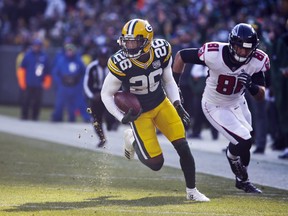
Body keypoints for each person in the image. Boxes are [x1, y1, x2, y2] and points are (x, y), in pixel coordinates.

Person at [101, 19, 210, 201]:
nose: (128, 46)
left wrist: (176, 103)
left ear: (146, 41)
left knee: (183, 147)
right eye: (126, 41)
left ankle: (192, 192)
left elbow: (168, 80)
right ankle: (132, 139)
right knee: (156, 163)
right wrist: (121, 118)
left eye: (133, 41)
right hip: (140, 114)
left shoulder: (161, 50)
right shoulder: (120, 62)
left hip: (161, 104)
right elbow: (106, 94)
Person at [173, 23, 270, 193]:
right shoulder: (213, 53)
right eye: (239, 48)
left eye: (247, 49)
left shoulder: (257, 61)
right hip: (214, 104)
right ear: (232, 44)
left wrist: (253, 87)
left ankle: (242, 180)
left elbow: (261, 96)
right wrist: (175, 85)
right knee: (243, 140)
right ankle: (232, 157)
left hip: (238, 102)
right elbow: (181, 56)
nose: (243, 53)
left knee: (248, 141)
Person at [83, 47, 118, 148]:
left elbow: (118, 81)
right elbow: (86, 84)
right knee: (95, 119)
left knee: (110, 116)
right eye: (101, 58)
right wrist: (92, 96)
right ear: (98, 58)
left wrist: (115, 94)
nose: (103, 60)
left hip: (109, 93)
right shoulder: (92, 67)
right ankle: (102, 138)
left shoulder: (113, 66)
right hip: (96, 94)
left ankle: (113, 123)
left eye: (105, 58)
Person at [16, 38, 51, 120]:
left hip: (39, 83)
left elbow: (47, 71)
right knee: (26, 100)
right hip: (28, 82)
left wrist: (46, 83)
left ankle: (35, 116)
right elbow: (22, 69)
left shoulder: (44, 56)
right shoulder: (28, 55)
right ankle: (24, 115)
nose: (37, 47)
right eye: (35, 46)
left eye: (38, 46)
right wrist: (22, 82)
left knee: (37, 102)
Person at [51, 42, 87, 122]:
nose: (70, 52)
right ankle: (57, 117)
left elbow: (84, 73)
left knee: (79, 102)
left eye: (71, 50)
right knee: (60, 103)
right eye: (68, 50)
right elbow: (55, 73)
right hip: (64, 85)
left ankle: (85, 118)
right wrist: (60, 83)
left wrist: (80, 83)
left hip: (75, 85)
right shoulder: (61, 61)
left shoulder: (78, 61)